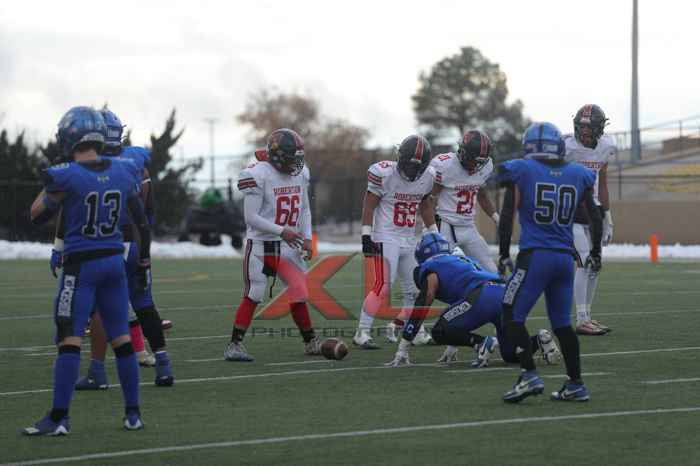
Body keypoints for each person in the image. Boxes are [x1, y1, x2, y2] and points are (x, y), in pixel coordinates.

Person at [22, 106, 148, 435]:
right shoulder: (125, 168)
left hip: (81, 267)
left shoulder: (66, 174)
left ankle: (58, 418)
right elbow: (137, 208)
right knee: (121, 337)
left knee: (69, 338)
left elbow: (36, 214)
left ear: (69, 137)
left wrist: (56, 189)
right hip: (114, 263)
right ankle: (133, 414)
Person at [497, 122, 603, 403]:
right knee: (562, 324)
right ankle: (576, 383)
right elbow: (594, 216)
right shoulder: (577, 173)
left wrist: (504, 252)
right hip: (564, 260)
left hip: (536, 257)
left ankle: (529, 375)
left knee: (510, 313)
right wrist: (596, 251)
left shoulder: (522, 169)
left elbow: (507, 214)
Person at [69, 107, 173, 389]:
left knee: (99, 309)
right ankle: (164, 365)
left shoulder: (91, 166)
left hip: (107, 245)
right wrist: (145, 252)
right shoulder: (136, 162)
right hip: (136, 242)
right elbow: (147, 212)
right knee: (144, 303)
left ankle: (97, 371)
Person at [386, 233, 559, 367]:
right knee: (511, 354)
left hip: (484, 295)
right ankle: (540, 340)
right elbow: (460, 307)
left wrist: (404, 346)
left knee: (439, 331)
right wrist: (453, 343)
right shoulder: (461, 260)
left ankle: (482, 343)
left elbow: (425, 300)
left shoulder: (430, 267)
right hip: (505, 293)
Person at [225, 128, 321, 361]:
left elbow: (305, 210)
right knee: (255, 292)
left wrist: (308, 237)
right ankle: (234, 345)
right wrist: (282, 231)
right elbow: (251, 217)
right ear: (278, 157)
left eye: (299, 158)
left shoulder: (300, 173)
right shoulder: (258, 174)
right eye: (291, 159)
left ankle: (310, 342)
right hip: (263, 244)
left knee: (299, 291)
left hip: (290, 243)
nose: (296, 164)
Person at [354, 135, 437, 349]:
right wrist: (366, 235)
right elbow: (369, 205)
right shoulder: (384, 173)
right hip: (386, 235)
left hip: (409, 237)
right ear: (400, 158)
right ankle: (362, 332)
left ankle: (416, 332)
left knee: (416, 290)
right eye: (408, 164)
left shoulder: (428, 176)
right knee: (383, 286)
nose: (411, 170)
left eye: (416, 166)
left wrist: (435, 233)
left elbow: (425, 206)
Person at [565, 104, 616, 335]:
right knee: (584, 261)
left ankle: (587, 315)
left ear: (599, 129)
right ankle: (581, 319)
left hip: (594, 210)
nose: (584, 135)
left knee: (595, 264)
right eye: (581, 129)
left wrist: (608, 217)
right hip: (572, 209)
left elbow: (602, 183)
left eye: (589, 130)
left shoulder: (606, 147)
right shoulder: (567, 147)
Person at [429, 130, 499, 273]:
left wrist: (497, 218)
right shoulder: (446, 165)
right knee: (439, 271)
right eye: (474, 160)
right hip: (445, 226)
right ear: (462, 152)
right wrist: (431, 228)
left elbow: (482, 195)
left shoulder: (486, 166)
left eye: (480, 162)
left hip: (468, 226)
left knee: (491, 271)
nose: (476, 165)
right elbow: (430, 199)